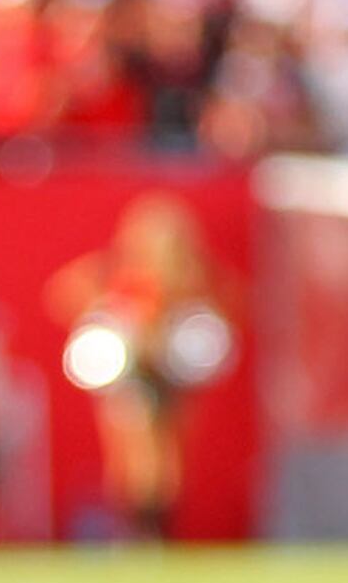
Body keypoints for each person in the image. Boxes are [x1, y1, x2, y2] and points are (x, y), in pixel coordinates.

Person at [45, 192, 236, 542]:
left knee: (168, 456)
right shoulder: (117, 272)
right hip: (130, 374)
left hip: (170, 374)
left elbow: (229, 306)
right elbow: (63, 290)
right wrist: (104, 312)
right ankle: (135, 527)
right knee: (131, 454)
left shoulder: (192, 278)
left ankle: (159, 527)